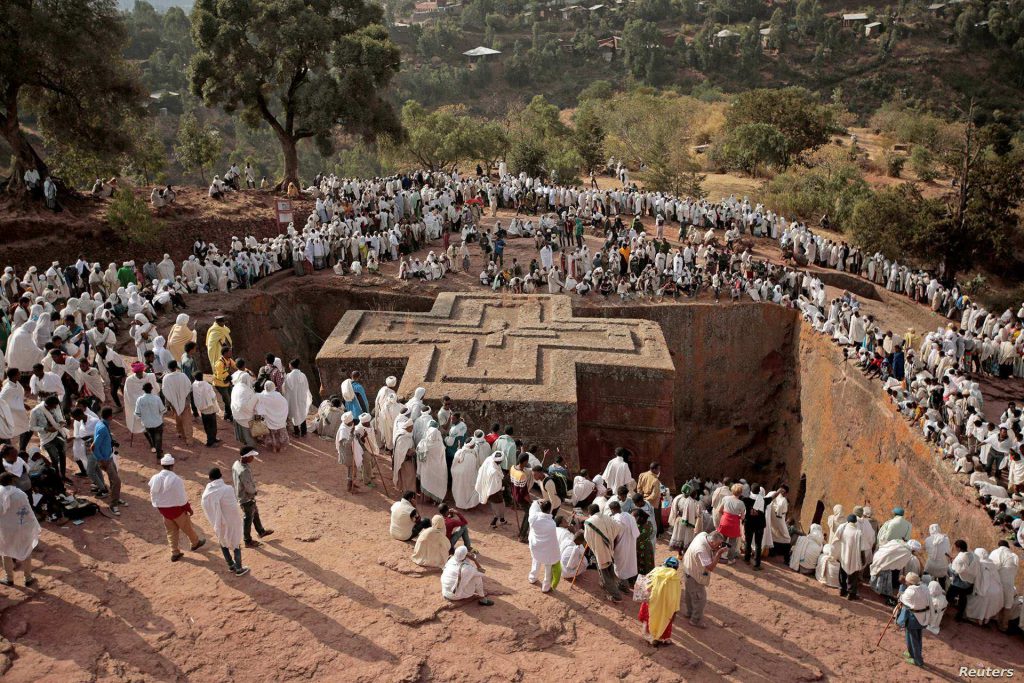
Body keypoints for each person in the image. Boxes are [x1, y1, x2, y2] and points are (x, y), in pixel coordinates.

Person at [148, 454, 206, 562]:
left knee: (171, 531)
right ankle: (195, 543)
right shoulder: (176, 479)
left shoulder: (155, 478)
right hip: (177, 510)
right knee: (187, 527)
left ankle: (175, 552)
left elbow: (153, 495)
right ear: (172, 465)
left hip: (164, 511)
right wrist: (188, 509)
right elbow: (182, 498)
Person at [201, 467, 249, 576]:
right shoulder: (228, 489)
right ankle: (239, 568)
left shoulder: (206, 494)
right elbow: (232, 507)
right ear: (220, 475)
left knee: (222, 541)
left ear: (210, 478)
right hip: (231, 521)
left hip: (217, 523)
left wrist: (216, 520)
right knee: (235, 542)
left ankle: (231, 565)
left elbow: (207, 508)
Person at [0, 472, 40, 587]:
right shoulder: (20, 494)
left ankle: (9, 579)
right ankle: (28, 578)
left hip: (5, 530)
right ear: (12, 481)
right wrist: (34, 526)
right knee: (26, 550)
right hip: (21, 528)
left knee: (5, 552)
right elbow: (28, 512)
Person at [682, 530, 727, 628]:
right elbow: (710, 567)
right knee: (700, 598)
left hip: (688, 569)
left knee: (690, 594)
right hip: (694, 575)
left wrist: (715, 549)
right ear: (711, 542)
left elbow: (711, 547)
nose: (719, 546)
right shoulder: (701, 550)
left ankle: (690, 613)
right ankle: (695, 620)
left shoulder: (703, 535)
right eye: (718, 544)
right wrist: (718, 554)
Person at [233, 447, 274, 548]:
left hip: (242, 494)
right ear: (247, 457)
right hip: (246, 497)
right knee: (248, 518)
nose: (253, 458)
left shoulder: (236, 464)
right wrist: (254, 492)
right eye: (252, 456)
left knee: (255, 512)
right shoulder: (244, 471)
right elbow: (248, 487)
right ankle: (247, 540)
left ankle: (261, 531)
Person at [583, 502, 624, 602]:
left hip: (600, 551)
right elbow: (618, 527)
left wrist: (595, 546)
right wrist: (610, 538)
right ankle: (615, 586)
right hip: (610, 547)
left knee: (605, 573)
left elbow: (586, 538)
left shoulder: (588, 522)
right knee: (610, 569)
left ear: (589, 512)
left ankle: (616, 596)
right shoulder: (607, 517)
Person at [639, 557, 682, 646]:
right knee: (664, 620)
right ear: (676, 568)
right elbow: (676, 597)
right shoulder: (676, 579)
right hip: (667, 606)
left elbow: (645, 585)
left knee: (650, 618)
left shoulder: (655, 571)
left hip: (652, 603)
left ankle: (651, 638)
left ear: (664, 564)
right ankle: (663, 639)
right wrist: (675, 611)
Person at [91, 407, 124, 516]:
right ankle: (113, 505)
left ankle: (116, 498)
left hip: (109, 457)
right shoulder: (103, 428)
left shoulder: (101, 423)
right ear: (110, 416)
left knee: (113, 480)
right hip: (105, 460)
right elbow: (93, 447)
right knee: (117, 481)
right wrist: (101, 460)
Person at [896, 573, 929, 667]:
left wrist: (902, 586)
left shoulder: (910, 591)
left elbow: (901, 599)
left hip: (913, 617)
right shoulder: (924, 587)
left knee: (913, 638)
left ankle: (917, 660)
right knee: (915, 636)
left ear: (909, 582)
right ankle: (911, 653)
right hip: (922, 615)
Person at [527, 500, 561, 593]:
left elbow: (533, 507)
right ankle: (546, 588)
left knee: (536, 561)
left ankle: (532, 578)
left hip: (535, 546)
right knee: (548, 568)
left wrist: (537, 501)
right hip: (547, 551)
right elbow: (553, 541)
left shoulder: (533, 518)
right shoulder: (552, 524)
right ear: (550, 510)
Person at [833, 514, 865, 600]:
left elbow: (835, 539)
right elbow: (862, 548)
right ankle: (851, 594)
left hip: (843, 555)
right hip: (854, 558)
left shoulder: (843, 528)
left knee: (842, 572)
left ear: (848, 521)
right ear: (855, 522)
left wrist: (836, 553)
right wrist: (863, 559)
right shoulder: (858, 532)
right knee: (853, 575)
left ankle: (842, 590)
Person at [161, 361, 192, 446]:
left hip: (173, 403)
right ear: (176, 367)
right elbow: (189, 387)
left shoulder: (166, 378)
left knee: (178, 418)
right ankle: (189, 440)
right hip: (185, 402)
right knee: (187, 421)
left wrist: (167, 405)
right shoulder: (183, 375)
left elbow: (165, 392)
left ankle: (181, 433)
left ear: (169, 368)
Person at [946, 539, 978, 621]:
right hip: (970, 582)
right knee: (963, 598)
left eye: (956, 547)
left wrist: (951, 564)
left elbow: (955, 572)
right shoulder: (971, 555)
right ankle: (959, 616)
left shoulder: (959, 559)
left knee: (948, 596)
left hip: (960, 583)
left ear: (959, 548)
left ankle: (943, 610)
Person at [256, 381, 290, 452]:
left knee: (272, 434)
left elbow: (259, 408)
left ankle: (273, 447)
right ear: (273, 387)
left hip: (269, 420)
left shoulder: (262, 395)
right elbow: (285, 405)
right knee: (280, 434)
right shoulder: (278, 395)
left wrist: (266, 414)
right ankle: (281, 447)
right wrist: (281, 416)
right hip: (280, 420)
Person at [475, 451, 506, 528]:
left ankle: (502, 519)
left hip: (490, 487)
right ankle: (494, 521)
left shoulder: (489, 459)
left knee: (497, 505)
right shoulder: (494, 472)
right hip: (494, 490)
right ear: (500, 461)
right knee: (500, 505)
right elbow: (496, 485)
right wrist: (503, 485)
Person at [134, 382, 166, 456]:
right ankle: (159, 453)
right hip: (158, 423)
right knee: (159, 439)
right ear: (151, 389)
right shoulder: (157, 398)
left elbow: (137, 413)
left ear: (143, 390)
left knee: (152, 437)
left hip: (147, 424)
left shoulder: (140, 400)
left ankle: (154, 447)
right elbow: (163, 411)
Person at [283, 359, 312, 437]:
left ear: (291, 366)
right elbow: (306, 387)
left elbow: (286, 388)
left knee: (294, 414)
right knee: (302, 413)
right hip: (301, 398)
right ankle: (304, 431)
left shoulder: (288, 376)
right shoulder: (303, 375)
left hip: (292, 399)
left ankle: (296, 432)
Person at [192, 372, 220, 447]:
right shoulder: (207, 385)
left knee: (207, 425)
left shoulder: (194, 385)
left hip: (202, 409)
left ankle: (212, 439)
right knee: (213, 425)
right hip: (210, 408)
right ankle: (210, 441)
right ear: (202, 377)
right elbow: (213, 396)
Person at [635, 462, 663, 534]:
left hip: (642, 500)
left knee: (642, 517)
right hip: (653, 502)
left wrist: (641, 499)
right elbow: (654, 495)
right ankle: (654, 533)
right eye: (658, 469)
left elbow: (638, 488)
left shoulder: (642, 475)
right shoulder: (655, 480)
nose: (659, 471)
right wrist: (646, 499)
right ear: (654, 469)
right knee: (654, 518)